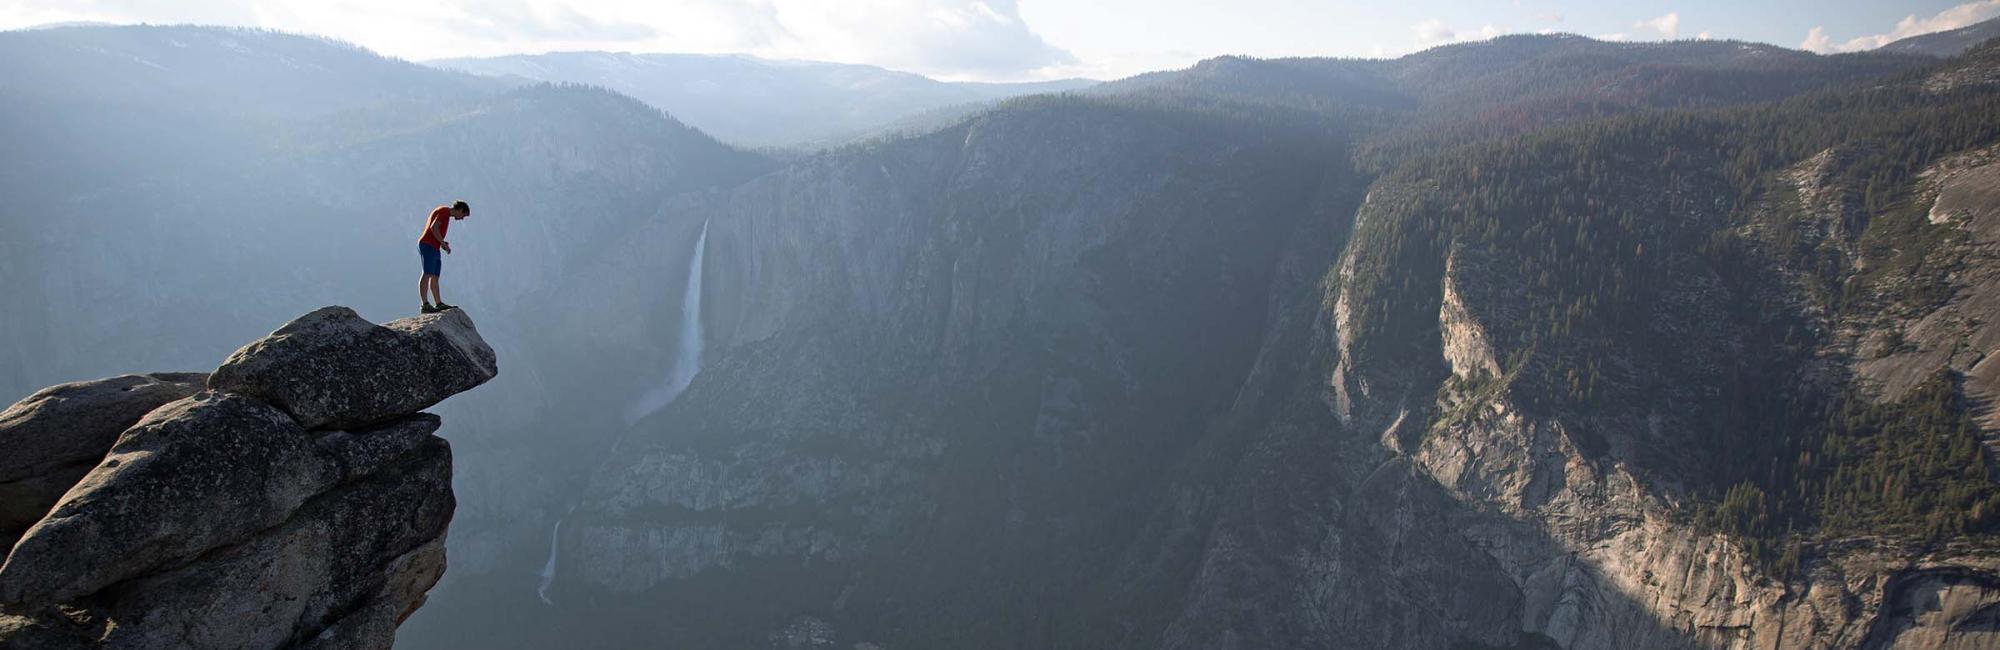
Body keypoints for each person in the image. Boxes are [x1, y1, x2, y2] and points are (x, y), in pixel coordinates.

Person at [418, 200, 470, 314]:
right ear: (460, 210)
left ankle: (438, 303)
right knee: (427, 273)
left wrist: (442, 243)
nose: (462, 219)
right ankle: (425, 304)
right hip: (427, 245)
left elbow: (435, 231)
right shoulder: (444, 211)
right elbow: (434, 227)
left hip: (434, 246)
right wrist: (442, 243)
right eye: (463, 215)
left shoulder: (446, 214)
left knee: (435, 275)